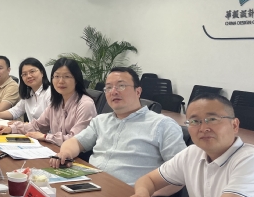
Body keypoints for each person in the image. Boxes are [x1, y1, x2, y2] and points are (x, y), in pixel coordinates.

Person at [50, 67, 186, 185]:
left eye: (121, 86)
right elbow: (75, 142)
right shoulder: (101, 121)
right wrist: (66, 153)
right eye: (108, 87)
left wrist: (147, 192)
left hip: (129, 194)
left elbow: (181, 172)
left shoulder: (162, 125)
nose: (113, 91)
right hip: (90, 184)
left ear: (138, 92)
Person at [0, 58, 96, 145]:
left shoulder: (85, 104)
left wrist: (45, 137)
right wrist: (11, 129)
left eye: (66, 76)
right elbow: (37, 126)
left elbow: (76, 140)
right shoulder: (56, 102)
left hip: (76, 157)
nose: (60, 81)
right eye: (57, 76)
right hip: (56, 151)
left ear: (76, 79)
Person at [0, 57, 51, 123]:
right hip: (30, 129)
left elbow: (49, 123)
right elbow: (16, 111)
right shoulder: (28, 94)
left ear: (42, 72)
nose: (29, 76)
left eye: (32, 71)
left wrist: (22, 125)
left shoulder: (50, 93)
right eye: (24, 74)